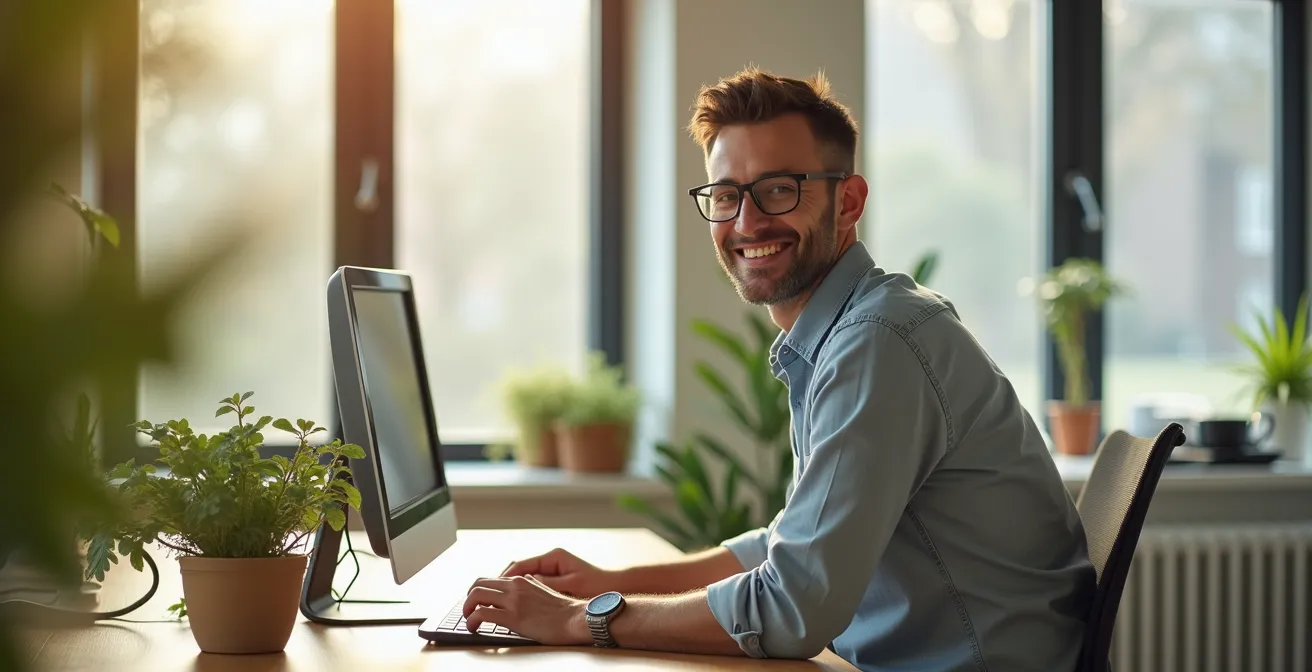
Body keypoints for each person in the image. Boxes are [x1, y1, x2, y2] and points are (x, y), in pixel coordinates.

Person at [461, 67, 1096, 671]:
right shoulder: (851, 328)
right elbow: (791, 546)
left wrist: (583, 621)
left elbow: (794, 606)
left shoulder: (876, 342)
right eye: (727, 195)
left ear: (848, 201)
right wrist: (607, 585)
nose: (747, 221)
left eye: (778, 190)